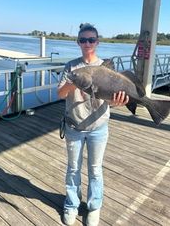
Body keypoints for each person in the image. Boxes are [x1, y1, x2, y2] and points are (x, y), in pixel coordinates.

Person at [58, 23, 129, 226]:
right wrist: (74, 81)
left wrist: (118, 102)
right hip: (74, 127)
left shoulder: (106, 68)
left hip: (99, 128)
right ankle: (71, 205)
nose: (87, 43)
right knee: (73, 168)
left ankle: (93, 207)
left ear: (97, 42)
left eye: (91, 40)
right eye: (83, 40)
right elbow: (60, 93)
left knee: (95, 169)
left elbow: (111, 101)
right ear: (78, 43)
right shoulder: (71, 67)